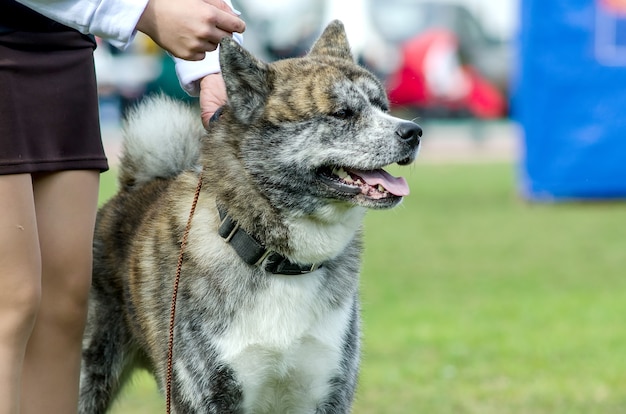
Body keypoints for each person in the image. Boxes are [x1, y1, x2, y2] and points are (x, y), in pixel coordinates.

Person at [0, 0, 244, 412]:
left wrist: (211, 65)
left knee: (64, 305)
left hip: (62, 43)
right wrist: (143, 13)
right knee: (13, 299)